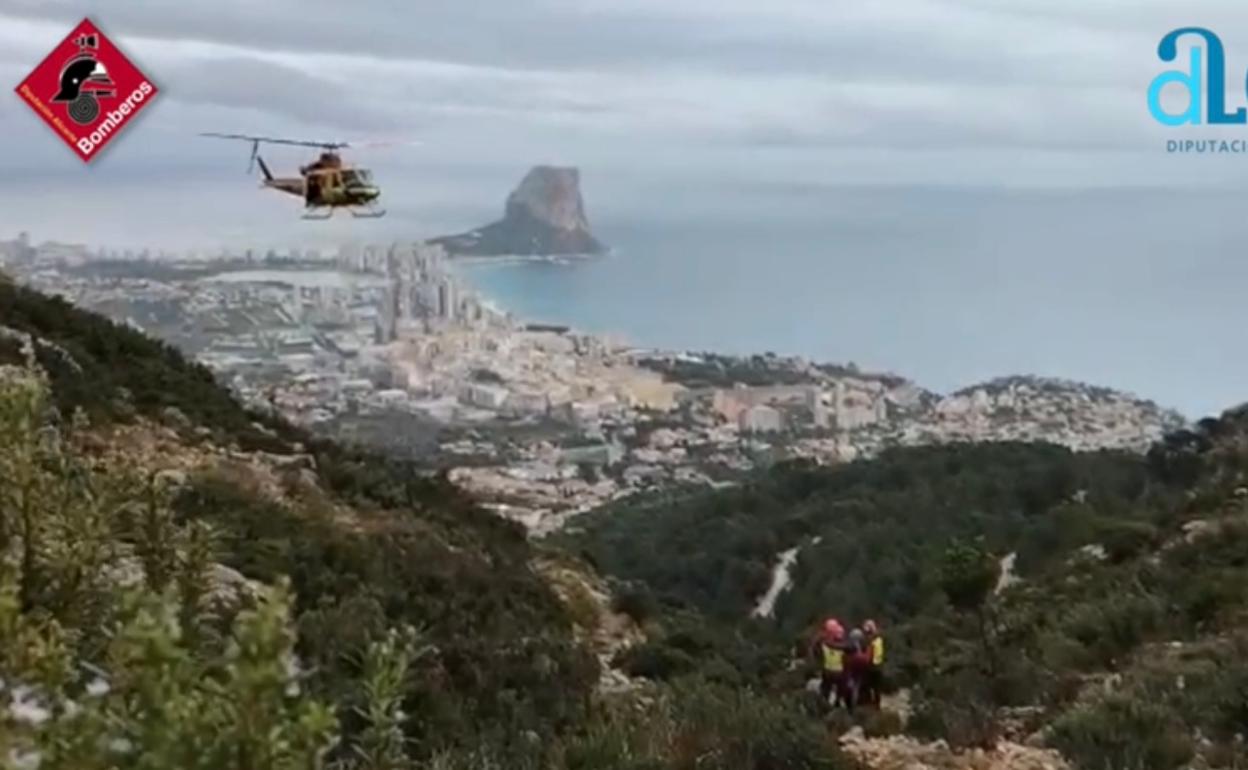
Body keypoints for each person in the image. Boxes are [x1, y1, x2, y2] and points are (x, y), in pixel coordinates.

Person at [813, 618, 846, 708]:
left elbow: (816, 652)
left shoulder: (823, 642)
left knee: (826, 691)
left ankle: (825, 706)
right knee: (837, 692)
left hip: (828, 671)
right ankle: (835, 706)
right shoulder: (841, 644)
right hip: (838, 672)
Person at [862, 619, 885, 708]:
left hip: (871, 668)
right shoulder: (879, 639)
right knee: (877, 689)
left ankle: (869, 706)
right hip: (879, 666)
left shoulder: (871, 642)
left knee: (867, 687)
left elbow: (868, 656)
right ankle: (877, 706)